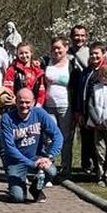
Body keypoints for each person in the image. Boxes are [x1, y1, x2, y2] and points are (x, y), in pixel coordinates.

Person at [0, 88, 62, 204]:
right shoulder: (7, 119)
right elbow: (9, 148)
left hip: (35, 157)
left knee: (51, 171)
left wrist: (49, 157)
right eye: (21, 102)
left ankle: (36, 189)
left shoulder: (39, 113)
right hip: (15, 161)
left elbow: (57, 135)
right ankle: (17, 185)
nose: (24, 105)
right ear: (16, 102)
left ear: (33, 102)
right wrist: (30, 163)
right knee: (18, 198)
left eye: (27, 102)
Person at [73, 42, 107, 176]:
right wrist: (79, 111)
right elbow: (80, 91)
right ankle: (87, 166)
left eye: (97, 54)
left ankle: (100, 168)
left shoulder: (105, 71)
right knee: (86, 141)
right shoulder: (86, 71)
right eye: (92, 54)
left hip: (99, 112)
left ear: (103, 55)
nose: (94, 56)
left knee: (98, 142)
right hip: (85, 112)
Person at [43, 38, 75, 177]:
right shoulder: (46, 62)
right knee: (50, 138)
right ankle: (50, 168)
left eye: (59, 48)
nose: (56, 51)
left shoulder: (71, 64)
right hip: (48, 106)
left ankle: (65, 169)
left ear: (66, 48)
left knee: (66, 138)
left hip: (65, 106)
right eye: (54, 48)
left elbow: (74, 84)